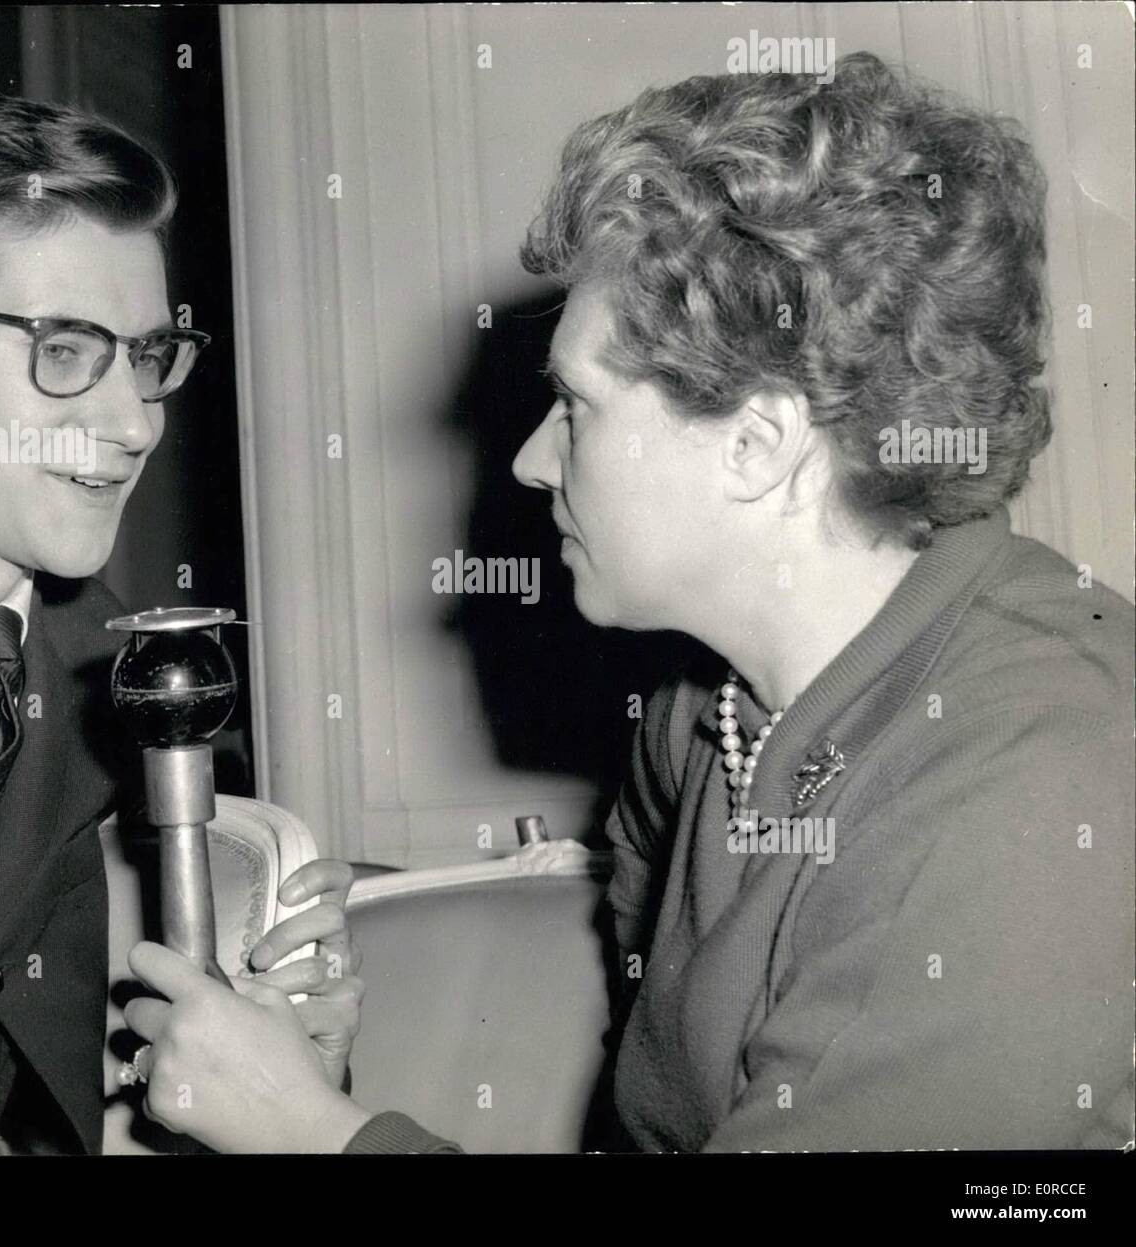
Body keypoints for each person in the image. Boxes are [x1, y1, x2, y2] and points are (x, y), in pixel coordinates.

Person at [122, 52, 1133, 1153]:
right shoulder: (702, 706)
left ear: (757, 443)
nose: (525, 460)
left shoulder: (1033, 781)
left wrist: (312, 1133)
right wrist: (308, 1076)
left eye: (575, 405)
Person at [0, 97, 360, 1156]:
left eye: (149, 354)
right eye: (67, 349)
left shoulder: (124, 664)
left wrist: (278, 1054)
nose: (134, 424)